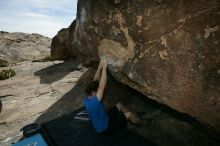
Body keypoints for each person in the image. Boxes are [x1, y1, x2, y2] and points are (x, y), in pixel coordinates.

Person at [83, 59, 146, 135]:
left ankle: (132, 117)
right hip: (105, 129)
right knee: (128, 114)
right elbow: (102, 85)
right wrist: (104, 68)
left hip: (105, 118)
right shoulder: (94, 102)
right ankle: (143, 122)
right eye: (97, 90)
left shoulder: (88, 97)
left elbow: (95, 80)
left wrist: (100, 66)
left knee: (119, 105)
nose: (99, 91)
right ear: (93, 92)